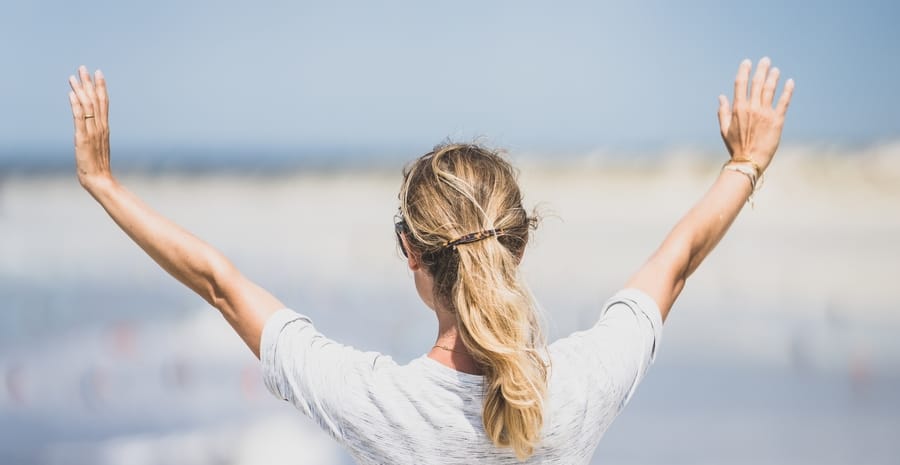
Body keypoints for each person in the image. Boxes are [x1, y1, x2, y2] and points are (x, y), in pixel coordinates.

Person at [66, 57, 794, 464]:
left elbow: (221, 284)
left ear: (408, 251)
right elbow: (677, 261)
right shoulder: (573, 390)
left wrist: (104, 185)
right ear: (521, 241)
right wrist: (747, 163)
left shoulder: (381, 402)